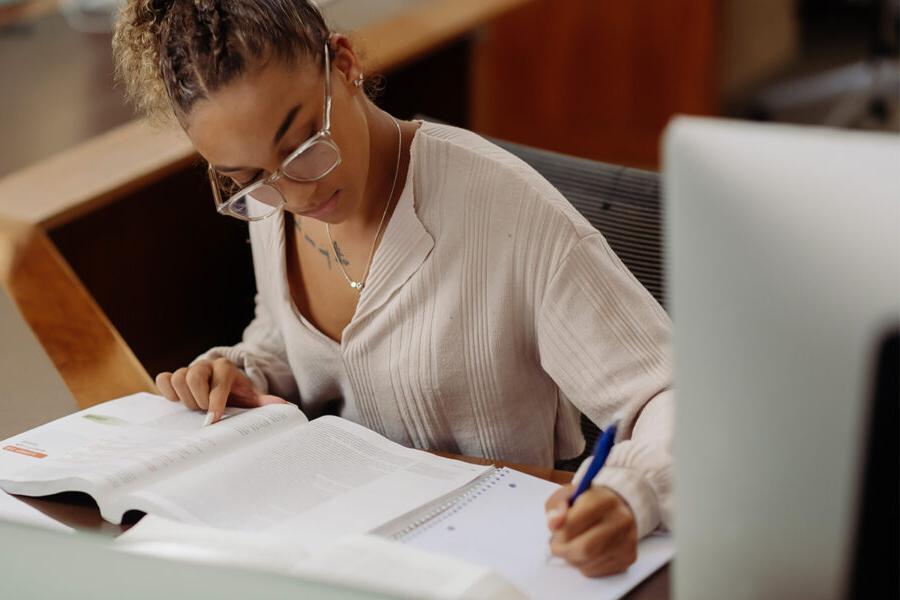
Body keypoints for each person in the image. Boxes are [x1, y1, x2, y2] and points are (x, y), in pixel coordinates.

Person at [113, 0, 673, 578]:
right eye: (248, 178)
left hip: (502, 560)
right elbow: (285, 338)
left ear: (346, 63)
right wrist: (244, 372)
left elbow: (667, 393)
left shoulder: (508, 212)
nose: (297, 195)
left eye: (303, 145)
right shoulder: (272, 205)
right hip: (342, 555)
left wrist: (635, 492)